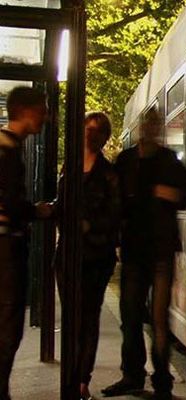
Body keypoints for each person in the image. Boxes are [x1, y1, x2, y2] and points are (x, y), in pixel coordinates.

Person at [102, 108, 186, 400]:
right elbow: (114, 201)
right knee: (130, 316)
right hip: (135, 250)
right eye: (149, 123)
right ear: (142, 127)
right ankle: (133, 375)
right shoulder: (126, 160)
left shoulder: (168, 161)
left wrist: (171, 195)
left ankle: (161, 383)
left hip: (160, 250)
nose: (152, 128)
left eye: (156, 123)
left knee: (158, 318)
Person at [52, 112, 120, 400]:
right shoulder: (70, 167)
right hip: (68, 255)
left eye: (97, 131)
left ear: (104, 138)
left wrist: (89, 225)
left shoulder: (108, 174)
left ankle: (81, 380)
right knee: (73, 318)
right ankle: (73, 376)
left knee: (87, 318)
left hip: (95, 257)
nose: (90, 135)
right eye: (87, 129)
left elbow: (115, 217)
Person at [0, 86, 50, 400]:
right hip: (5, 249)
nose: (46, 116)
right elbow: (12, 203)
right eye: (43, 109)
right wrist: (38, 211)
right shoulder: (7, 151)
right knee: (8, 326)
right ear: (27, 111)